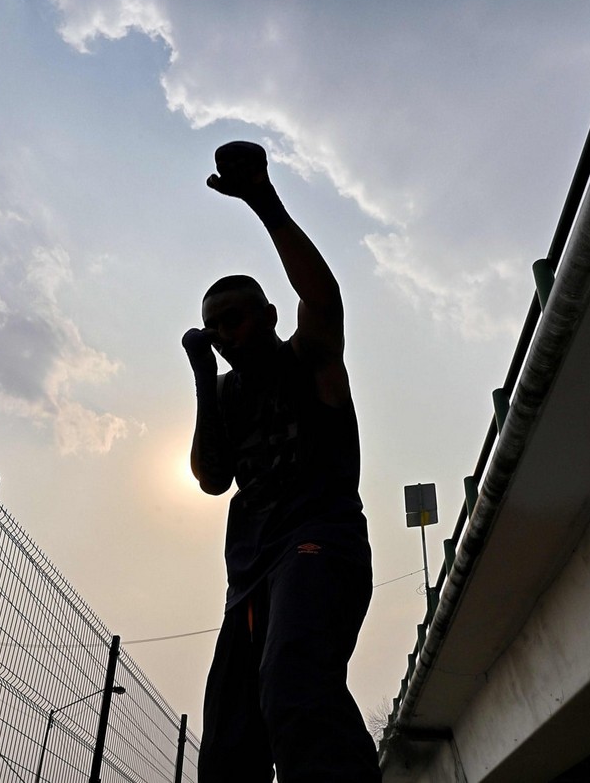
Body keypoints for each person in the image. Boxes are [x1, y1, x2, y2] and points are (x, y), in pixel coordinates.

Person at [183, 141, 382, 782]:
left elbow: (322, 295)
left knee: (294, 686)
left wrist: (262, 200)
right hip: (248, 575)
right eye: (214, 327)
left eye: (235, 319)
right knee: (230, 743)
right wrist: (201, 375)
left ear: (268, 315)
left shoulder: (310, 358)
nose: (224, 333)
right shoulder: (223, 393)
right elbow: (213, 479)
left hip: (318, 542)